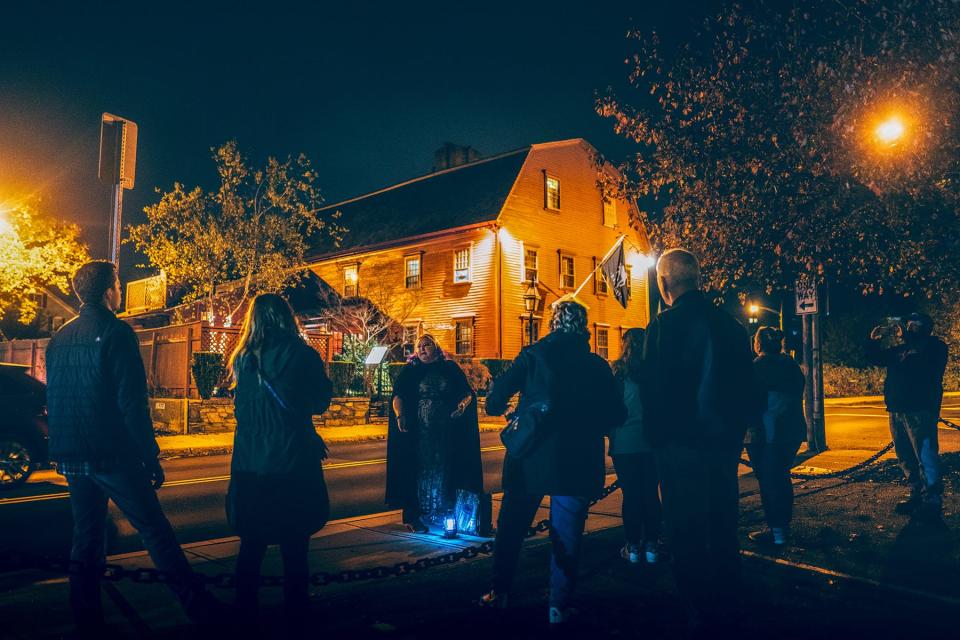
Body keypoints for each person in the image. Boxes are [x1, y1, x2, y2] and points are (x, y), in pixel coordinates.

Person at [45, 260, 221, 635]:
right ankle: (198, 606)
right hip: (111, 452)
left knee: (87, 535)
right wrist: (149, 455)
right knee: (154, 530)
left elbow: (56, 395)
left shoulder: (60, 338)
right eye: (118, 285)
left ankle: (86, 614)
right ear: (109, 291)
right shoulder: (117, 333)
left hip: (72, 452)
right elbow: (131, 403)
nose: (121, 291)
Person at [481, 300, 625, 625]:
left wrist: (515, 411)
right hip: (577, 459)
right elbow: (617, 414)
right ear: (584, 326)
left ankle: (499, 592)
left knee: (512, 528)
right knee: (568, 533)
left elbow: (493, 402)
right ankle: (558, 605)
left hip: (529, 456)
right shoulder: (596, 366)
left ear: (552, 322)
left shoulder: (533, 356)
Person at [642, 249, 754, 632]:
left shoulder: (663, 327)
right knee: (723, 523)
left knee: (685, 531)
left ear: (665, 282)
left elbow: (653, 391)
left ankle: (698, 611)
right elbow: (746, 391)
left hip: (680, 447)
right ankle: (731, 599)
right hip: (723, 446)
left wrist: (656, 441)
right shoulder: (733, 327)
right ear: (698, 279)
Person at [227, 293, 334, 628]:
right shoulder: (301, 354)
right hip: (291, 460)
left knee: (252, 542)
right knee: (294, 541)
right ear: (287, 317)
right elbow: (319, 401)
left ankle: (244, 610)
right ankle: (296, 609)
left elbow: (240, 408)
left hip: (249, 462)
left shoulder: (243, 358)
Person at [386, 334, 485, 534]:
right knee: (419, 468)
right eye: (419, 346)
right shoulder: (410, 371)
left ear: (436, 347)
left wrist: (462, 405)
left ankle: (443, 510)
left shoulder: (449, 369)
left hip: (445, 429)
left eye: (427, 345)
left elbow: (466, 393)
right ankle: (415, 515)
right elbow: (398, 395)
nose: (422, 349)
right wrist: (400, 415)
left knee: (444, 466)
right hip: (418, 431)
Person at [866, 313, 948, 522]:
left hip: (920, 411)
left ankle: (932, 500)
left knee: (925, 456)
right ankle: (917, 494)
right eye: (908, 324)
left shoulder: (935, 348)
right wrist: (873, 342)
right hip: (897, 410)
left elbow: (922, 367)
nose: (908, 327)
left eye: (914, 324)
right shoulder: (901, 349)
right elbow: (876, 359)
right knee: (906, 457)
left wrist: (908, 339)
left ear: (925, 328)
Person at [745, 326, 806, 548]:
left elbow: (749, 403)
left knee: (770, 481)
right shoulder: (790, 365)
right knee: (781, 477)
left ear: (758, 344)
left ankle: (777, 531)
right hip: (791, 431)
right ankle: (782, 527)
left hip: (767, 434)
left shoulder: (756, 367)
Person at [609, 327, 661, 565]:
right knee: (651, 494)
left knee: (631, 496)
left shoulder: (618, 373)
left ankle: (632, 547)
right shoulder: (655, 371)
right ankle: (652, 545)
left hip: (624, 442)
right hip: (652, 441)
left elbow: (611, 410)